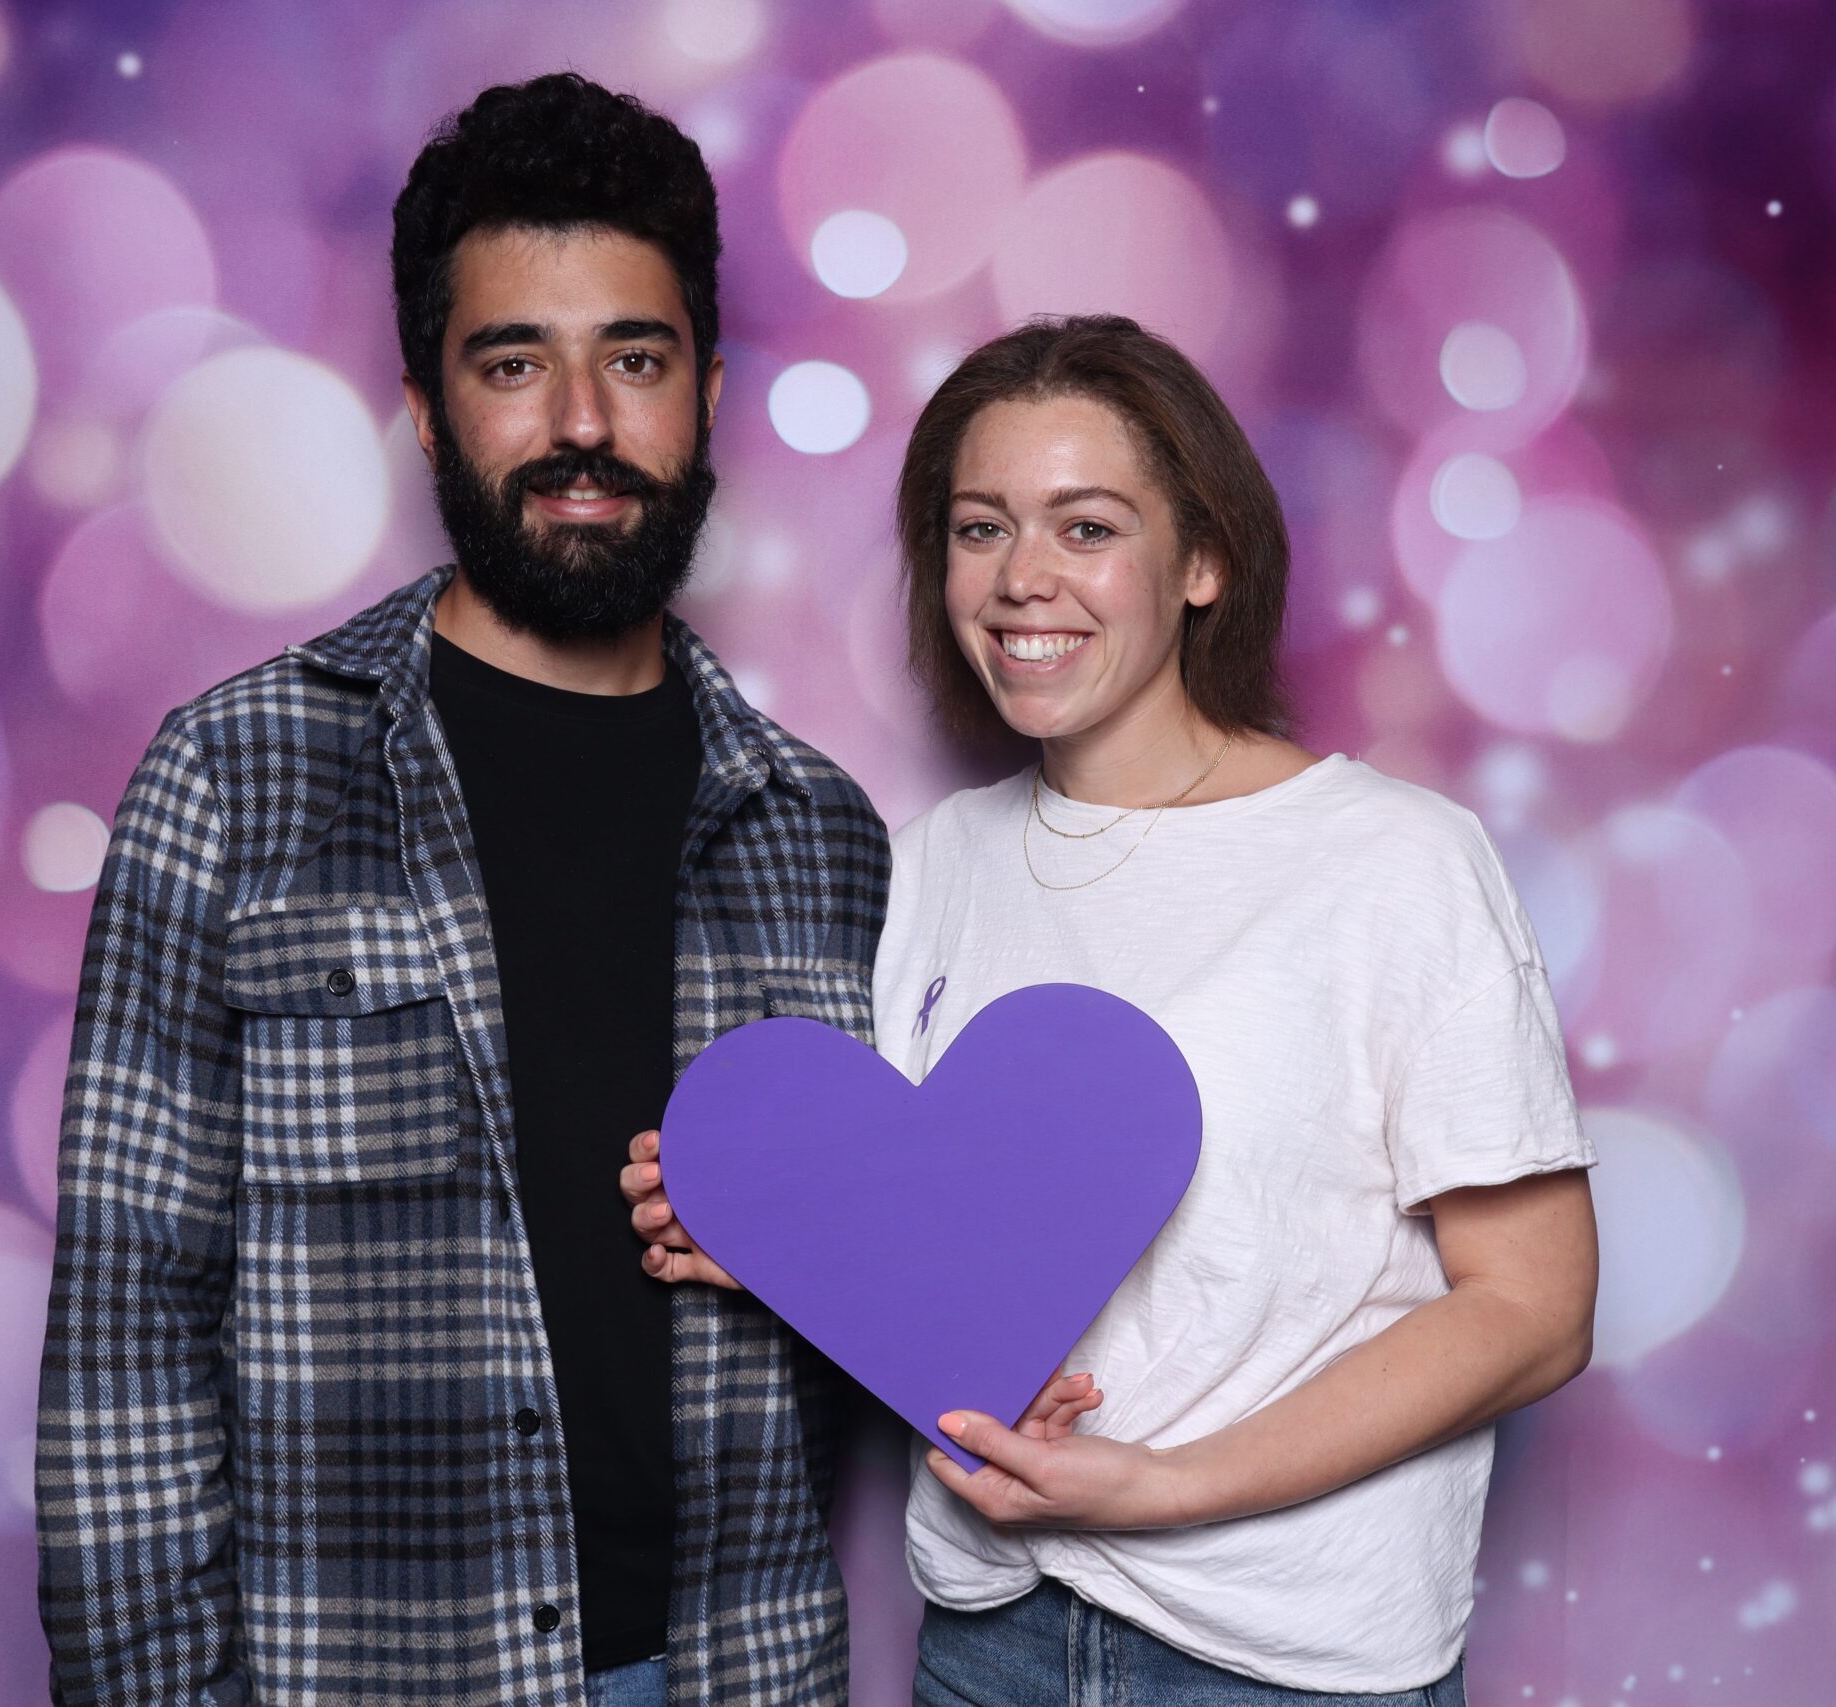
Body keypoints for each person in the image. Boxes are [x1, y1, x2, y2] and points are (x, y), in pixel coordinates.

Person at [38, 74, 887, 1707]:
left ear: (708, 393)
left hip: (736, 1672)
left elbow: (877, 1308)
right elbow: (125, 1344)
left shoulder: (821, 833)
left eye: (634, 359)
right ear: (429, 411)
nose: (582, 424)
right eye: (513, 364)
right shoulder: (235, 783)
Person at [628, 315, 1598, 1704]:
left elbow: (1535, 1307)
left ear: (1202, 561)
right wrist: (789, 1240)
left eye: (1086, 528)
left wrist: (1163, 1483)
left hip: (1280, 1668)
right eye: (980, 529)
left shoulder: (1396, 863)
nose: (1021, 578)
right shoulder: (933, 862)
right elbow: (963, 1239)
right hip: (988, 1646)